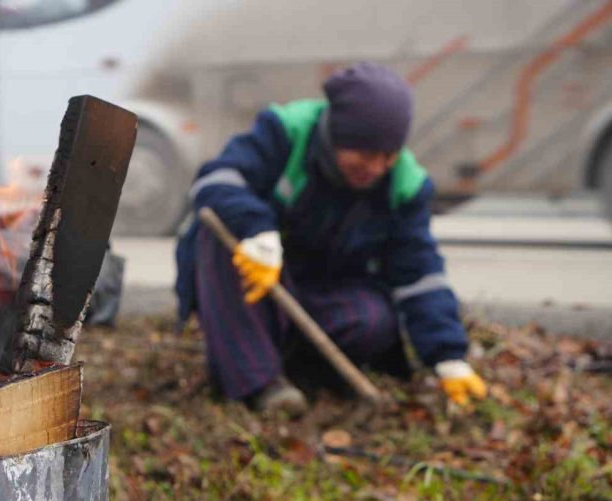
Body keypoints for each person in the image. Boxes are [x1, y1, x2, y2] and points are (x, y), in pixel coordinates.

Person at [175, 62, 486, 413]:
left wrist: (448, 355)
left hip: (326, 292)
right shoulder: (285, 132)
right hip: (261, 286)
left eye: (388, 155)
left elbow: (419, 274)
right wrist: (256, 232)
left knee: (376, 321)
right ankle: (261, 383)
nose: (377, 167)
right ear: (336, 135)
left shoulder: (403, 186)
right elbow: (216, 181)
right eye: (366, 154)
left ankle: (302, 369)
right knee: (216, 236)